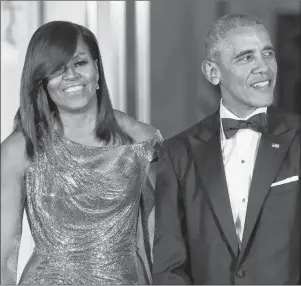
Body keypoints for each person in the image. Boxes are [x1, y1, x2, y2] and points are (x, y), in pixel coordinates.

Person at [1, 21, 163, 285]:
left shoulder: (140, 140)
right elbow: (4, 257)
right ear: (42, 80)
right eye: (57, 69)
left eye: (80, 63)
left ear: (96, 69)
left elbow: (161, 242)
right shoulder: (20, 149)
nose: (71, 76)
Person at [153, 13, 300, 284]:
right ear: (212, 72)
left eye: (267, 53)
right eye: (246, 57)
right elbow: (169, 267)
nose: (264, 68)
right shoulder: (177, 153)